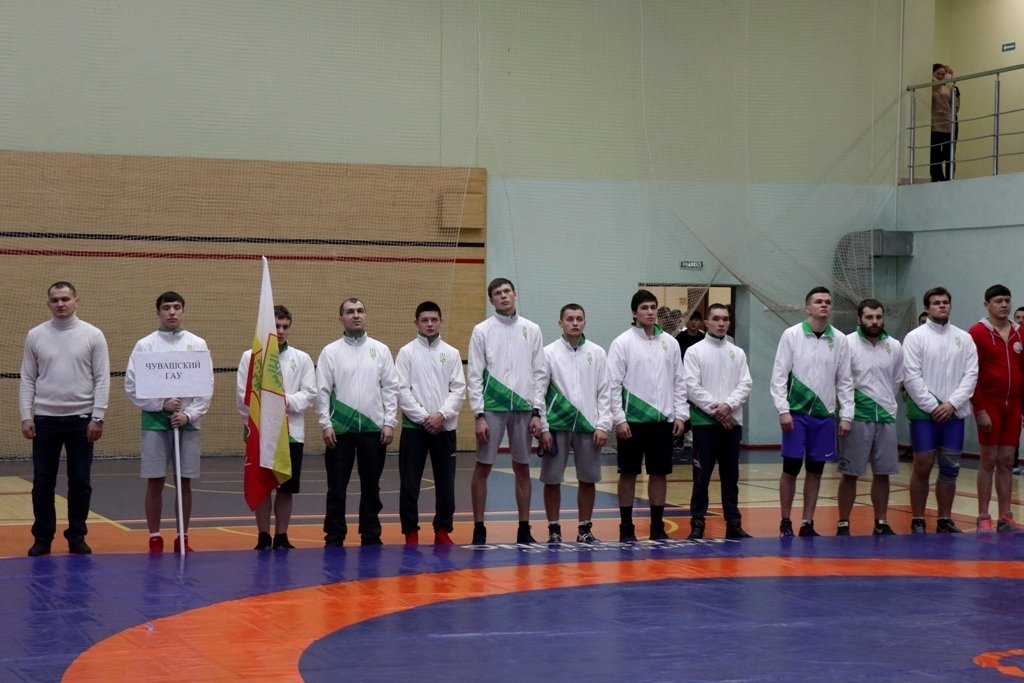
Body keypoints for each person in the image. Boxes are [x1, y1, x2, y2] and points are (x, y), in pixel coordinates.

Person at [20, 282, 110, 557]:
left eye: (65, 299)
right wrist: (26, 415)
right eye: (55, 300)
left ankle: (77, 536)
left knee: (80, 481)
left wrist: (98, 416)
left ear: (76, 301)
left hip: (81, 420)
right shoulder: (35, 335)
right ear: (48, 303)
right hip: (45, 420)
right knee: (42, 482)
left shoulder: (93, 335)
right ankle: (43, 537)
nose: (61, 304)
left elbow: (102, 378)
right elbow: (27, 378)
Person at [125, 291, 212, 553]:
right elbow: (132, 385)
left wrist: (189, 414)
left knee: (184, 481)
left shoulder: (197, 344)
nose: (172, 312)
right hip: (155, 423)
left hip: (187, 424)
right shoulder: (145, 346)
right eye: (166, 307)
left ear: (183, 310)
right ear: (158, 312)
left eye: (176, 307)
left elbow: (206, 385)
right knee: (155, 481)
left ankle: (182, 536)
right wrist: (160, 404)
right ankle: (154, 536)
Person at [467, 278, 546, 545]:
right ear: (491, 300)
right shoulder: (482, 330)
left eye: (507, 291)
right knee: (483, 467)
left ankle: (524, 528)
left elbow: (540, 373)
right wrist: (478, 415)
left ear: (515, 294)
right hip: (492, 408)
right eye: (497, 293)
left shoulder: (532, 329)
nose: (503, 296)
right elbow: (474, 374)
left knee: (522, 468)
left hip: (524, 409)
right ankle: (479, 528)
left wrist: (537, 412)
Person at [769, 286, 853, 537]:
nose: (824, 305)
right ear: (808, 308)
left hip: (824, 415)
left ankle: (807, 522)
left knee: (816, 470)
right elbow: (779, 375)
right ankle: (785, 521)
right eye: (818, 301)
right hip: (796, 414)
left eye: (828, 301)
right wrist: (783, 409)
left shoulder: (840, 339)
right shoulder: (791, 335)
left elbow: (845, 380)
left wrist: (846, 415)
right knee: (791, 468)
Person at [316, 298, 399, 547]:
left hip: (374, 430)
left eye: (360, 311)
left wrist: (390, 422)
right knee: (336, 487)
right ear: (340, 319)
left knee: (371, 486)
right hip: (339, 431)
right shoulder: (330, 352)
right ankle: (334, 535)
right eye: (350, 312)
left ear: (366, 316)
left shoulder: (380, 350)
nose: (356, 315)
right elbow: (322, 391)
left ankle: (371, 533)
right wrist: (325, 424)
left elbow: (390, 389)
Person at [608, 289, 687, 542]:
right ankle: (626, 527)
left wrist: (680, 415)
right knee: (628, 473)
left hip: (662, 422)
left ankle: (657, 526)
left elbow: (679, 381)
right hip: (632, 422)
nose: (650, 312)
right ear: (634, 313)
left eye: (653, 307)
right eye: (644, 308)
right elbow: (613, 385)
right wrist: (619, 419)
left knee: (659, 473)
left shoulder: (670, 343)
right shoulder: (622, 343)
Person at [236, 305, 316, 550]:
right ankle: (263, 536)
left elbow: (309, 394)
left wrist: (284, 400)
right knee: (263, 487)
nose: (280, 331)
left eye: (284, 326)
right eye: (276, 326)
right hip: (261, 433)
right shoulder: (250, 357)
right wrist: (263, 413)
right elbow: (243, 395)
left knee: (285, 489)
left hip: (291, 434)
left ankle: (281, 536)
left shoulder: (301, 359)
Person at [903, 287, 978, 534]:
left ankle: (944, 519)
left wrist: (952, 404)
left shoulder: (964, 338)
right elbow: (911, 376)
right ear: (927, 308)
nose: (942, 306)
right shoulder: (915, 337)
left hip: (954, 412)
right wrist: (933, 405)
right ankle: (918, 518)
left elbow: (971, 374)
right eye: (936, 303)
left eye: (946, 302)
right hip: (924, 413)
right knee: (923, 464)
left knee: (950, 467)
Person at [537, 303, 612, 544]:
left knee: (588, 479)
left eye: (579, 318)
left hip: (588, 426)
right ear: (560, 323)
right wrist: (543, 427)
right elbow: (539, 392)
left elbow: (605, 392)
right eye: (570, 319)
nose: (575, 323)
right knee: (552, 480)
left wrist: (603, 425)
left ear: (585, 322)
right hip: (556, 426)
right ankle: (554, 529)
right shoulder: (548, 353)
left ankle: (584, 529)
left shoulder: (597, 353)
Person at [395, 301, 466, 546]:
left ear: (440, 322)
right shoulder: (406, 353)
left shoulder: (452, 353)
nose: (429, 324)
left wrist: (441, 415)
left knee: (446, 482)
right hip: (414, 428)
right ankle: (410, 532)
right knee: (410, 483)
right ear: (416, 322)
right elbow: (401, 390)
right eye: (424, 320)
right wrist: (424, 417)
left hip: (444, 428)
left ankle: (443, 530)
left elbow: (458, 390)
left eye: (434, 320)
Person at [681, 303, 752, 540]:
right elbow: (691, 386)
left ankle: (734, 523)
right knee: (701, 477)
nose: (721, 323)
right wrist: (716, 410)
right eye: (716, 319)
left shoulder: (737, 353)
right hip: (705, 425)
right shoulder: (695, 352)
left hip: (732, 424)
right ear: (707, 323)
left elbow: (745, 384)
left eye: (725, 319)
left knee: (731, 476)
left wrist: (728, 406)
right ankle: (697, 524)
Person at [836, 299, 903, 536]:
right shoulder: (847, 343)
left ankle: (881, 522)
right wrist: (848, 412)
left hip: (885, 416)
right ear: (859, 319)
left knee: (883, 473)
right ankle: (843, 522)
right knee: (850, 473)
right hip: (857, 416)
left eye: (878, 317)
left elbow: (897, 380)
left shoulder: (894, 346)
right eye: (869, 317)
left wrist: (884, 403)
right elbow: (842, 380)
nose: (874, 322)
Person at [969, 285, 1023, 532]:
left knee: (1007, 460)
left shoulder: (1020, 333)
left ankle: (1005, 515)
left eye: (1007, 301)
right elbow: (972, 374)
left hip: (1013, 406)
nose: (1004, 305)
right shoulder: (977, 333)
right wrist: (979, 409)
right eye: (999, 301)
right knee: (989, 460)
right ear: (987, 305)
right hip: (989, 404)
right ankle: (983, 515)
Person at [930, 63, 953, 182]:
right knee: (935, 151)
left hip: (947, 121)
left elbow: (952, 101)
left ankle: (947, 178)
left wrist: (948, 78)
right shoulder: (931, 86)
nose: (940, 76)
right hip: (935, 121)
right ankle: (937, 177)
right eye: (938, 74)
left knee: (947, 152)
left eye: (943, 74)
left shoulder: (948, 86)